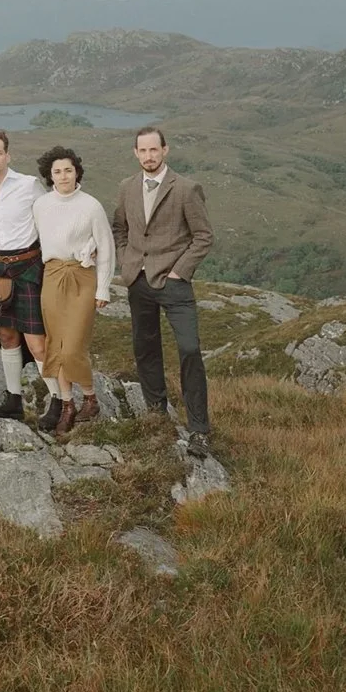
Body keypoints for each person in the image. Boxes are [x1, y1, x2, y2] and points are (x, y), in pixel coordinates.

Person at [112, 126, 215, 457]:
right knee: (145, 348)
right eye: (142, 151)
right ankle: (156, 411)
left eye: (154, 150)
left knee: (189, 349)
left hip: (174, 284)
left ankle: (199, 429)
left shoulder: (186, 189)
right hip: (138, 282)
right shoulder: (127, 187)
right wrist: (126, 262)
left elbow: (203, 236)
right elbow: (119, 228)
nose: (148, 156)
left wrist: (178, 272)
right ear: (135, 153)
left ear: (165, 151)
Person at [31, 145, 115, 436]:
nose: (63, 175)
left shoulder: (91, 205)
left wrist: (103, 287)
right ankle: (68, 405)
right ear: (49, 175)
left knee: (74, 346)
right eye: (57, 171)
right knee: (56, 345)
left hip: (82, 277)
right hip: (53, 276)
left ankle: (90, 397)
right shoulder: (41, 205)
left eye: (68, 169)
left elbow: (106, 247)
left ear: (77, 171)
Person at [0, 128, 50, 423]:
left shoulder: (29, 185)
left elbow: (49, 219)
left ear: (7, 155)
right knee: (5, 335)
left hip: (28, 265)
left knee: (36, 340)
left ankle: (58, 401)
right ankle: (13, 400)